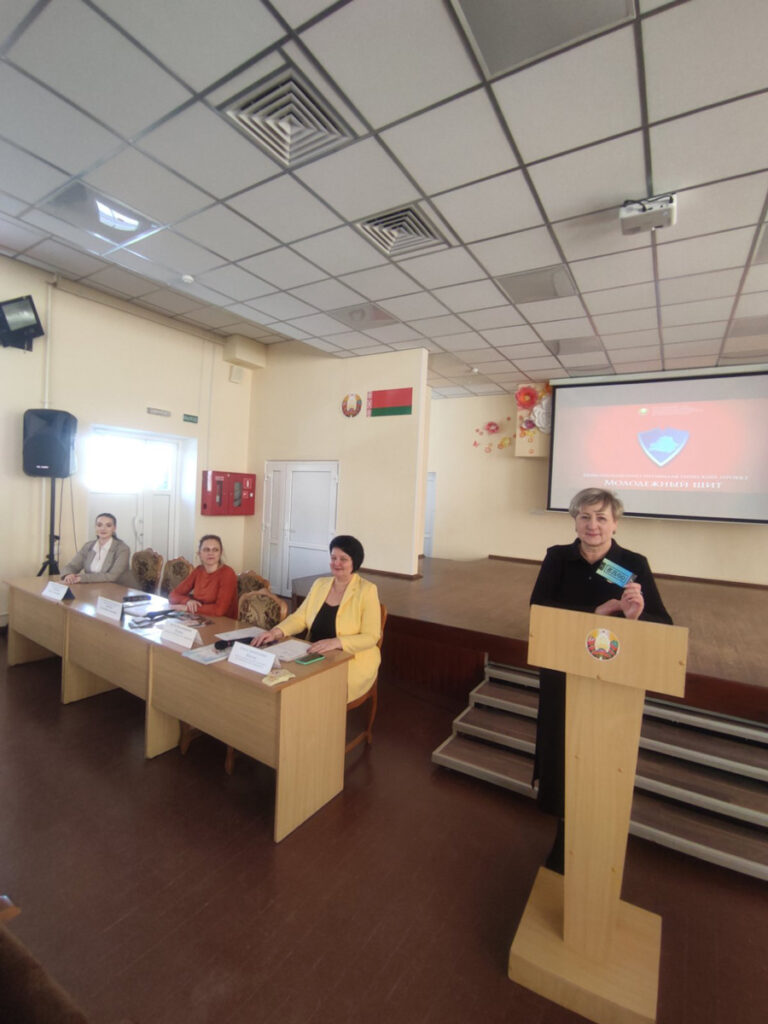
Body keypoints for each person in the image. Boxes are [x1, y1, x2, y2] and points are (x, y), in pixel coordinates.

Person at [530, 488, 672, 873]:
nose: (592, 525)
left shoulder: (629, 565)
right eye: (585, 517)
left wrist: (635, 616)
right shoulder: (558, 558)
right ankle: (564, 834)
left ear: (615, 524)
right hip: (563, 671)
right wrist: (594, 612)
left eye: (601, 518)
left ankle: (596, 836)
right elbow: (540, 609)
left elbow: (662, 624)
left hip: (611, 677)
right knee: (563, 753)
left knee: (601, 758)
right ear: (575, 521)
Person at [251, 535, 381, 702]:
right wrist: (276, 632)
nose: (337, 563)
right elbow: (300, 617)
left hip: (350, 658)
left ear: (354, 562)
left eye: (343, 559)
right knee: (276, 678)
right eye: (333, 558)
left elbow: (371, 636)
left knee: (317, 693)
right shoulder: (320, 584)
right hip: (313, 652)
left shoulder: (367, 590)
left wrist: (337, 642)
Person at [168, 534, 238, 618]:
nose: (210, 553)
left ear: (220, 553)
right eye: (206, 550)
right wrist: (187, 601)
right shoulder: (198, 571)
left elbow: (219, 610)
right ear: (199, 553)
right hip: (200, 617)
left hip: (223, 621)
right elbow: (173, 595)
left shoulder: (227, 573)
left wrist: (186, 608)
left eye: (215, 550)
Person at [61, 513, 134, 585]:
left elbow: (113, 576)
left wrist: (81, 578)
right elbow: (72, 566)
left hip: (115, 588)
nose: (103, 529)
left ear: (114, 528)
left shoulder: (122, 549)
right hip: (89, 587)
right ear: (95, 527)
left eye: (108, 525)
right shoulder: (88, 546)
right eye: (99, 525)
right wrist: (68, 574)